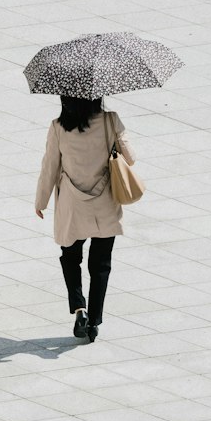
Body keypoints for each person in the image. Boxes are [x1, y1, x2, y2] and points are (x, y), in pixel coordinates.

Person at [35, 96, 135, 342]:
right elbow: (130, 158)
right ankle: (95, 321)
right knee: (101, 264)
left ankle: (80, 309)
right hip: (105, 203)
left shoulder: (58, 127)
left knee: (70, 257)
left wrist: (41, 201)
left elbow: (50, 166)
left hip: (72, 205)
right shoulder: (110, 121)